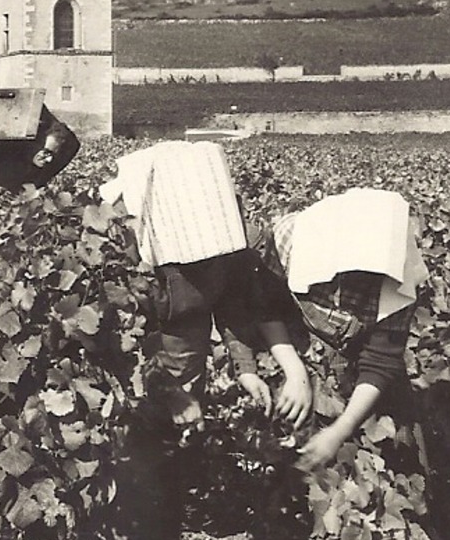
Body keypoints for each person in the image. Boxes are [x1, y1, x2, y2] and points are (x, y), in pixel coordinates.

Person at [101, 140, 306, 426]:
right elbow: (121, 348)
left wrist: (245, 368)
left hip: (189, 371)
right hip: (137, 386)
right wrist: (170, 392)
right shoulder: (123, 253)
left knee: (185, 441)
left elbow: (231, 301)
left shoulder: (226, 234)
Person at [223, 187, 426, 472]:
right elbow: (265, 305)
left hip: (360, 377)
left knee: (397, 456)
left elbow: (380, 361)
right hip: (289, 345)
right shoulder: (292, 239)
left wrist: (338, 432)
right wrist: (296, 373)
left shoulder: (399, 275)